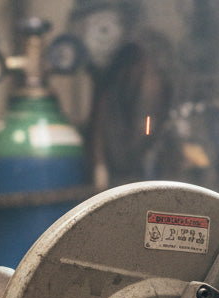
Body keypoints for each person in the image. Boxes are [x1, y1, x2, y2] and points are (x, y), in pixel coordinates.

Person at [67, 0, 174, 188]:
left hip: (138, 180)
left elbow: (144, 131)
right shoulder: (108, 78)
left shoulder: (143, 66)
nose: (98, 38)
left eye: (104, 28)